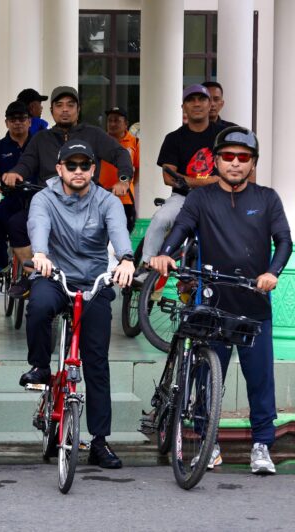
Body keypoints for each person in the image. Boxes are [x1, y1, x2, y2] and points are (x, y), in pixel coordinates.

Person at [149, 127, 292, 475]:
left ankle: (261, 445)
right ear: (216, 160)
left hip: (253, 302)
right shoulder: (201, 198)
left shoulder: (268, 198)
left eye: (243, 158)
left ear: (253, 164)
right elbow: (181, 228)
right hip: (212, 300)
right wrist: (165, 254)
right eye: (228, 156)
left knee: (260, 379)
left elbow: (284, 241)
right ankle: (206, 441)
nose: (235, 163)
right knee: (207, 375)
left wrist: (272, 272)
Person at [20, 139, 135, 469]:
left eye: (85, 165)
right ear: (60, 169)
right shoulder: (44, 197)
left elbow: (118, 231)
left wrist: (126, 259)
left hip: (94, 282)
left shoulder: (106, 201)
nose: (79, 171)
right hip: (54, 275)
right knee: (39, 305)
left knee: (97, 361)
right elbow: (38, 224)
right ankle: (40, 366)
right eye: (72, 165)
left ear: (93, 170)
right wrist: (39, 255)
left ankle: (99, 441)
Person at [2, 86, 134, 296]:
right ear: (52, 110)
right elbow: (26, 162)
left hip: (88, 202)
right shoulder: (41, 138)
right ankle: (34, 274)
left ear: (78, 109)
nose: (65, 110)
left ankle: (105, 276)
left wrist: (124, 180)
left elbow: (120, 154)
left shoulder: (94, 134)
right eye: (59, 105)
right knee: (17, 224)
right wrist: (15, 172)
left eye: (70, 105)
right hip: (51, 203)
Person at [138, 84, 229, 271]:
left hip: (218, 198)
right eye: (190, 100)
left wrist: (187, 179)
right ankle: (146, 266)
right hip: (182, 198)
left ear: (210, 103)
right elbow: (169, 177)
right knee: (161, 218)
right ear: (183, 107)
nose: (196, 104)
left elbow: (232, 172)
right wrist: (208, 181)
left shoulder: (223, 136)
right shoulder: (173, 138)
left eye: (201, 99)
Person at [0, 101, 33, 276]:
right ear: (6, 123)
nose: (17, 122)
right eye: (13, 119)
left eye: (22, 118)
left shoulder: (39, 144)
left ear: (29, 122)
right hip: (11, 198)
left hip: (38, 198)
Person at [100, 106, 139, 232]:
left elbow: (137, 169)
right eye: (110, 120)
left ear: (126, 123)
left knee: (124, 233)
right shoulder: (100, 140)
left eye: (117, 120)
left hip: (125, 198)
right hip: (102, 196)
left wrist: (128, 183)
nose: (112, 124)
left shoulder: (135, 142)